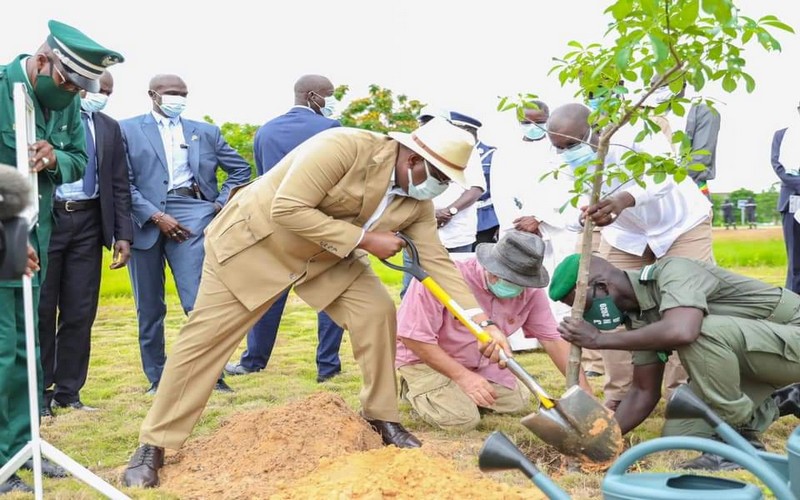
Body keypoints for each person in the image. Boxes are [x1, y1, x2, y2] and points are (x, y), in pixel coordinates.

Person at [121, 117, 513, 488]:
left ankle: (381, 417)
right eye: (441, 177)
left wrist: (482, 323)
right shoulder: (342, 146)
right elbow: (287, 207)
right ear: (413, 159)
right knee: (204, 343)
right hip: (256, 244)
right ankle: (154, 443)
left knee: (377, 311)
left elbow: (436, 261)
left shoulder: (416, 201)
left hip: (326, 257)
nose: (441, 188)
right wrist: (366, 240)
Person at [0, 20, 123, 493]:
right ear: (42, 60)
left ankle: (23, 446)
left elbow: (77, 157)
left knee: (28, 347)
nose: (72, 91)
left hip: (38, 235)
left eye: (80, 86)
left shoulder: (66, 99)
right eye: (67, 80)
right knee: (5, 346)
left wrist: (54, 158)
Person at [549, 253, 800, 471]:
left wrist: (599, 341)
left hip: (792, 336)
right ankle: (785, 398)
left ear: (601, 286)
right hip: (760, 359)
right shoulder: (637, 318)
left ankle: (739, 441)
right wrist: (598, 440)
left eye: (585, 307)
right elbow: (643, 392)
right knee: (683, 434)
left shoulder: (674, 271)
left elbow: (683, 331)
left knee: (701, 331)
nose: (586, 318)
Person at [547, 103, 714, 410]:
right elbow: (562, 203)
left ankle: (683, 396)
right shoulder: (564, 158)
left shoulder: (637, 130)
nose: (565, 153)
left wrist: (622, 200)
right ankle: (620, 396)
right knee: (604, 309)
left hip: (680, 226)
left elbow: (664, 175)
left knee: (685, 306)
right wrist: (582, 215)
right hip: (625, 236)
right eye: (559, 147)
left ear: (596, 129)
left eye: (571, 144)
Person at [120, 74, 251, 395]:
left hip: (194, 214)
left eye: (183, 93)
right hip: (145, 218)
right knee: (149, 307)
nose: (178, 98)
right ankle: (158, 380)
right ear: (153, 94)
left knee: (199, 302)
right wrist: (155, 215)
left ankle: (212, 376)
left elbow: (240, 171)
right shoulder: (126, 129)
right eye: (171, 93)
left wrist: (218, 206)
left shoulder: (205, 132)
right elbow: (121, 180)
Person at [396, 230, 590, 430]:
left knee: (516, 403)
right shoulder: (446, 278)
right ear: (491, 266)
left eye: (520, 282)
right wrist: (464, 377)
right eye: (508, 277)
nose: (515, 287)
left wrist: (586, 397)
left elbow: (553, 340)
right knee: (461, 420)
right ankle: (415, 389)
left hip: (479, 362)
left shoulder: (530, 290)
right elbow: (413, 338)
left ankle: (454, 393)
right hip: (425, 359)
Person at [224, 74, 345, 383]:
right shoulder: (331, 130)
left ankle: (253, 361)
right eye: (329, 95)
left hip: (275, 224)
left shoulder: (264, 132)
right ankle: (327, 366)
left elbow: (264, 177)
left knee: (269, 295)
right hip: (318, 224)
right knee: (329, 292)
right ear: (313, 96)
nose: (332, 101)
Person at [38, 70, 132, 416]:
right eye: (97, 89)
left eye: (108, 91)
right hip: (50, 220)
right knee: (43, 309)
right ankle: (40, 392)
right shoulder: (49, 118)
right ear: (78, 89)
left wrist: (122, 234)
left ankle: (69, 391)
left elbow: (119, 184)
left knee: (80, 310)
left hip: (90, 222)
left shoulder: (108, 127)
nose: (101, 95)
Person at [432, 111, 486, 253]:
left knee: (458, 275)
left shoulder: (468, 151)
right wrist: (430, 213)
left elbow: (476, 188)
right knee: (415, 276)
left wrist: (449, 211)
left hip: (457, 234)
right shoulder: (418, 148)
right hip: (421, 234)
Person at [772, 111, 800, 293]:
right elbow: (778, 166)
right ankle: (794, 307)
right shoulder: (782, 135)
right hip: (792, 201)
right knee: (796, 259)